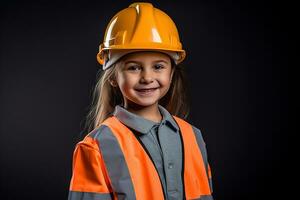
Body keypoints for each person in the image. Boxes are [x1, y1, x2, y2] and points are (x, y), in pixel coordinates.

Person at [68, 2, 213, 200]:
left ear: (171, 73)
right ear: (112, 77)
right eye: (134, 67)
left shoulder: (193, 137)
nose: (147, 77)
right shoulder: (96, 146)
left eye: (158, 66)